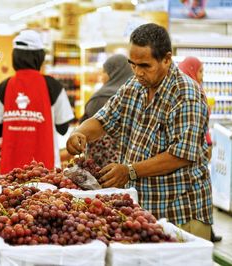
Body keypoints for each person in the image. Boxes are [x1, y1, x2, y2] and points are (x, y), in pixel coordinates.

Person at [66, 23, 212, 240]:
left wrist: (129, 171)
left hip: (181, 213)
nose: (138, 72)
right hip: (143, 210)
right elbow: (104, 119)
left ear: (166, 59)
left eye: (145, 65)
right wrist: (80, 133)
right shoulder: (134, 86)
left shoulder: (186, 95)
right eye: (132, 65)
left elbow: (181, 155)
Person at [0, 30, 74, 174]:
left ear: (14, 57)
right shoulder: (53, 86)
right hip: (45, 171)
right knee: (44, 198)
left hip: (11, 172)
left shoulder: (3, 87)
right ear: (40, 57)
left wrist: (17, 122)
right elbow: (63, 128)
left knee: (10, 197)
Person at [179, 56, 222, 243]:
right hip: (193, 161)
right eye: (200, 71)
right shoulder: (191, 94)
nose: (202, 76)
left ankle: (207, 231)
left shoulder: (195, 91)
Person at [80, 54, 133, 167]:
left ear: (114, 72)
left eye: (104, 72)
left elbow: (92, 126)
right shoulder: (136, 94)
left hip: (101, 162)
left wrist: (77, 133)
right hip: (128, 163)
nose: (101, 76)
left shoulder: (101, 98)